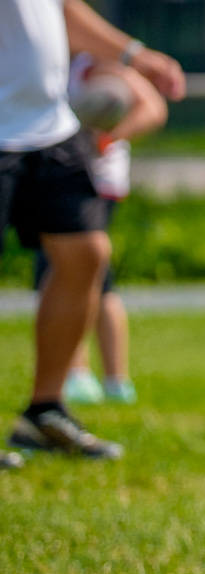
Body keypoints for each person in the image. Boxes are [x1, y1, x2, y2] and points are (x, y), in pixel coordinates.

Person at [0, 0, 185, 470]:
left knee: (86, 255)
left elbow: (60, 7)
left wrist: (135, 55)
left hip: (49, 126)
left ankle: (44, 411)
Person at [34, 53, 167, 404]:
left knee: (70, 274)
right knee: (93, 278)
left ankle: (83, 375)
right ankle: (107, 379)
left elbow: (153, 109)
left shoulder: (95, 65)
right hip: (72, 180)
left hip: (91, 182)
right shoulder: (52, 64)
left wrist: (106, 138)